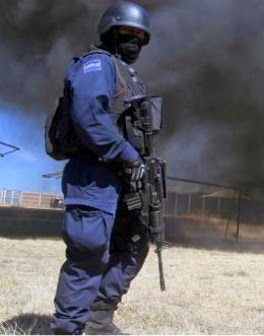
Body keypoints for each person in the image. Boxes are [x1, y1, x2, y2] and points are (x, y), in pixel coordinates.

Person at [50, 2, 153, 334]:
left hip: (122, 177)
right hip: (93, 174)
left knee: (134, 243)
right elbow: (89, 118)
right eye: (127, 33)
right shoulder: (97, 65)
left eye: (140, 36)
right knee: (89, 252)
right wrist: (127, 154)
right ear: (110, 32)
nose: (134, 41)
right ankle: (68, 328)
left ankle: (98, 318)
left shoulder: (127, 74)